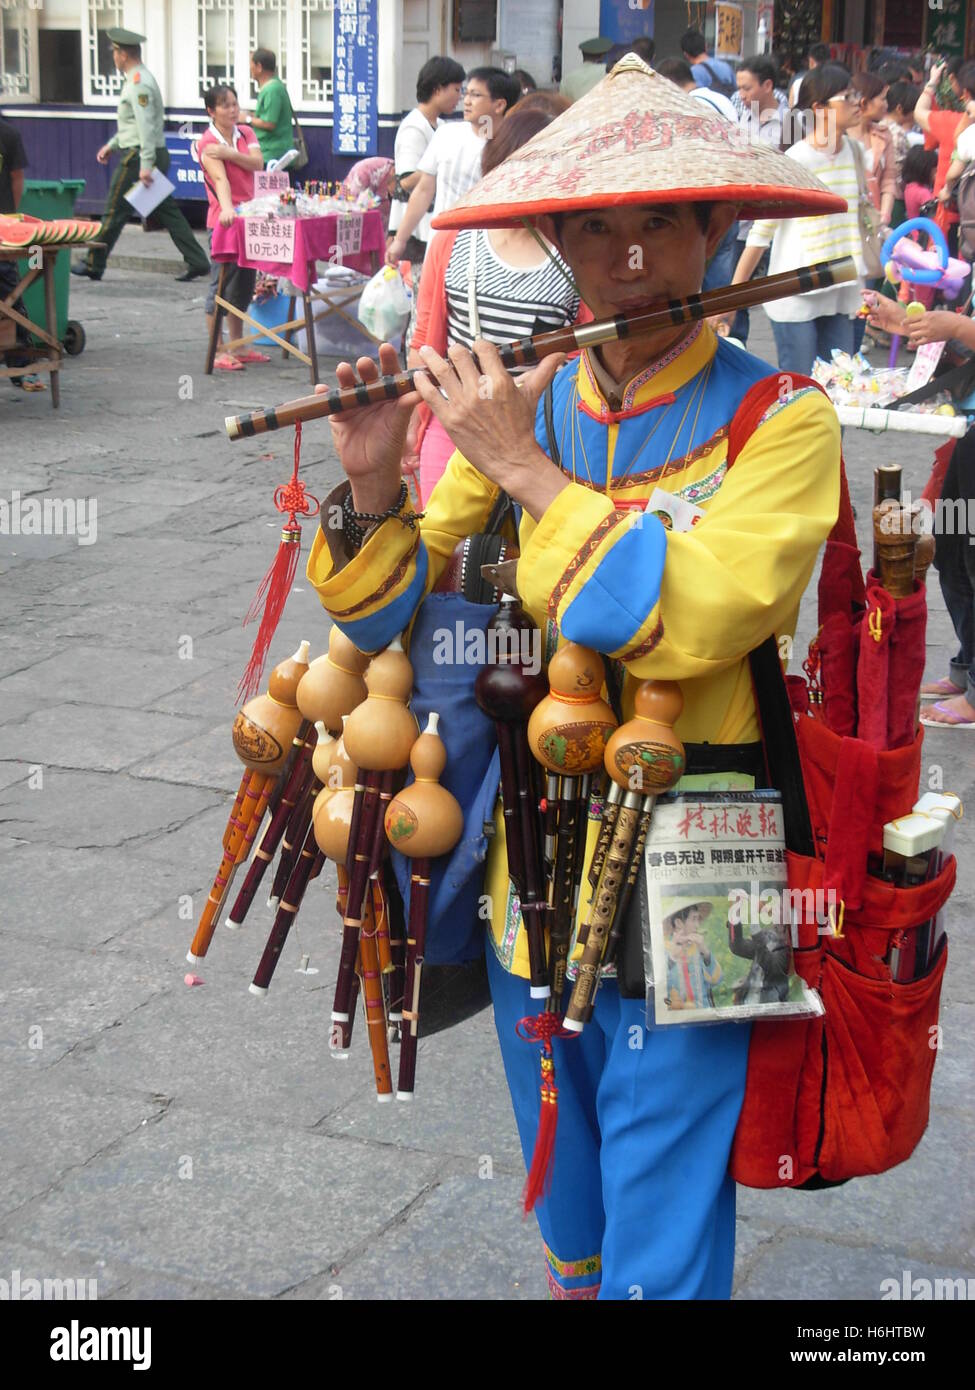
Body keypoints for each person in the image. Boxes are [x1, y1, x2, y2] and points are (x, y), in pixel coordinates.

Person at [305, 55, 842, 1299]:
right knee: (567, 1169)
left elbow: (698, 619)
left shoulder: (784, 418)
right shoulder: (529, 403)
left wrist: (529, 473)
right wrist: (381, 477)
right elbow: (404, 610)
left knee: (669, 1183)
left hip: (708, 839)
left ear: (719, 229)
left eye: (662, 220)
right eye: (595, 227)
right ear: (555, 240)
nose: (631, 256)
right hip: (530, 842)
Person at [405, 95, 584, 502]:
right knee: (445, 552)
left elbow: (590, 351)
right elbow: (425, 345)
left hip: (545, 433)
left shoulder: (579, 253)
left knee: (528, 554)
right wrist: (414, 421)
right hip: (455, 426)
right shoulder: (453, 240)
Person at [864, 287, 975, 728]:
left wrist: (958, 326)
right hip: (966, 433)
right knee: (950, 553)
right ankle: (966, 669)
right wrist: (913, 324)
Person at [725, 64, 865, 376]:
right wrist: (734, 297)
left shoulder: (854, 152)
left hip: (840, 290)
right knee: (801, 389)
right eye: (848, 97)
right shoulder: (796, 161)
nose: (858, 103)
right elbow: (760, 235)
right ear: (820, 108)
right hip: (796, 294)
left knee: (840, 388)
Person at [71, 28, 210, 283]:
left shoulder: (139, 83)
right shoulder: (138, 79)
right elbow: (134, 124)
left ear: (123, 54)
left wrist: (145, 165)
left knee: (114, 210)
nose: (113, 57)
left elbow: (146, 126)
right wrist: (113, 144)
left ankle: (94, 262)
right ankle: (198, 260)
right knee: (166, 210)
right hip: (147, 151)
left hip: (139, 157)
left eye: (114, 52)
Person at [385, 68, 520, 267]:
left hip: (485, 255)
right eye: (466, 93)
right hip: (440, 244)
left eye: (476, 95)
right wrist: (400, 240)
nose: (466, 100)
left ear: (499, 105)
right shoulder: (446, 134)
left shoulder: (510, 147)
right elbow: (423, 190)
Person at [198, 83, 264, 372]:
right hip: (224, 220)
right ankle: (218, 349)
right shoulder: (206, 142)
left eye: (235, 104)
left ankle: (238, 344)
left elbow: (257, 163)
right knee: (221, 284)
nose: (233, 110)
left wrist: (229, 153)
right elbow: (220, 180)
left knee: (245, 284)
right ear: (211, 111)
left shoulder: (246, 133)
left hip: (249, 216)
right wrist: (226, 209)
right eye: (225, 105)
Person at [388, 57, 465, 268]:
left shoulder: (440, 125)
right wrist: (443, 165)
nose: (460, 98)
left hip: (430, 224)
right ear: (438, 89)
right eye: (456, 90)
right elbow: (406, 181)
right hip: (415, 229)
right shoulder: (414, 127)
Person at [0, 112, 43, 391]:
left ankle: (21, 364)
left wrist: (9, 217)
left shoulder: (9, 135)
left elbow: (17, 179)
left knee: (10, 290)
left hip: (4, 229)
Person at [914, 60, 975, 255]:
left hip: (950, 218)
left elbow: (919, 112)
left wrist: (932, 82)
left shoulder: (953, 124)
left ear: (965, 93)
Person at [664, 903, 721, 1010]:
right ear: (679, 922)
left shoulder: (699, 949)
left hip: (703, 1014)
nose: (698, 925)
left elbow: (716, 980)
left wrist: (705, 952)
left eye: (698, 919)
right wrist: (671, 958)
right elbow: (658, 988)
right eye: (694, 919)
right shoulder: (665, 950)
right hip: (676, 1017)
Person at [246, 49, 295, 166]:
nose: (249, 69)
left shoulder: (272, 90)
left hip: (273, 156)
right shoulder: (272, 87)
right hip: (269, 153)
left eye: (251, 65)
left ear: (259, 66)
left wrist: (247, 119)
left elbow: (269, 123)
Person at [736, 55, 786, 149]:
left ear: (767, 85)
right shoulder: (745, 118)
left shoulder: (790, 123)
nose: (741, 96)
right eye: (739, 88)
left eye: (747, 89)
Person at [680, 27, 736, 97]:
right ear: (706, 47)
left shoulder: (693, 72)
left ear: (686, 54)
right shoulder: (725, 66)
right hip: (727, 106)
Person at [559, 37, 613, 102]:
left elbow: (563, 105)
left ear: (583, 55)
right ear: (602, 56)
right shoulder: (610, 72)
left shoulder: (567, 79)